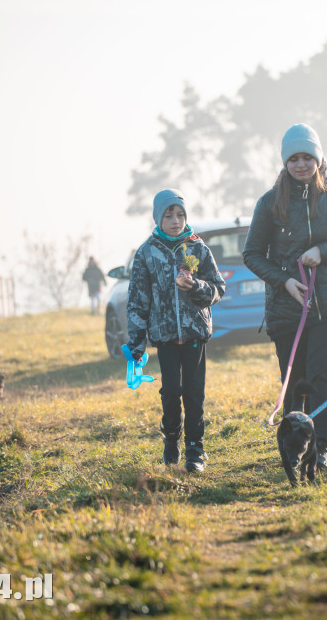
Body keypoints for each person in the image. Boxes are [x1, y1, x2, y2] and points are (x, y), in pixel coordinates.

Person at [242, 123, 327, 472]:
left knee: (326, 375)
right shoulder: (269, 203)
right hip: (287, 308)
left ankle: (321, 449)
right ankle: (296, 449)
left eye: (307, 157)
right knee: (298, 382)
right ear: (285, 162)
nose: (300, 164)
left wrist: (322, 252)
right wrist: (284, 282)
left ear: (319, 158)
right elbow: (252, 254)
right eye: (293, 158)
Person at [126, 189, 226, 473]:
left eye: (180, 214)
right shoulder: (147, 252)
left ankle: (196, 450)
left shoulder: (198, 248)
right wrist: (136, 341)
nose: (175, 220)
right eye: (169, 215)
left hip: (195, 334)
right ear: (158, 218)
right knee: (171, 392)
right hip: (165, 336)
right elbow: (137, 300)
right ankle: (171, 440)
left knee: (194, 392)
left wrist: (196, 288)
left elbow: (218, 288)